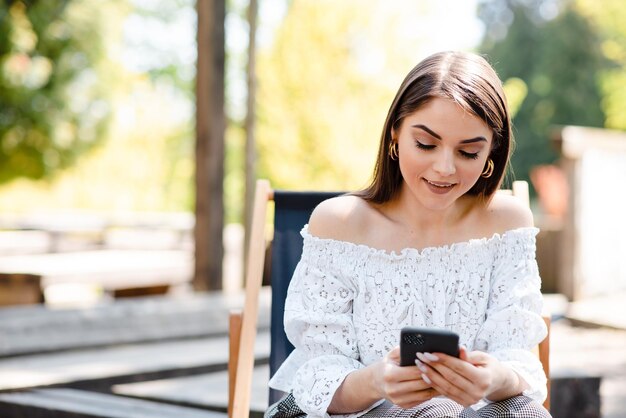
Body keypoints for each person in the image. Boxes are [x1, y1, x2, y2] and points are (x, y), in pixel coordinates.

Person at [266, 51, 551, 418]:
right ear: (395, 135)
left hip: (473, 411)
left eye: (468, 152)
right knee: (438, 410)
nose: (444, 168)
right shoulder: (338, 223)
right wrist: (378, 382)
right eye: (426, 144)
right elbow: (316, 379)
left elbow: (517, 355)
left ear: (491, 153)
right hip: (355, 411)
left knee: (523, 413)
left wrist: (494, 378)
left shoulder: (507, 222)